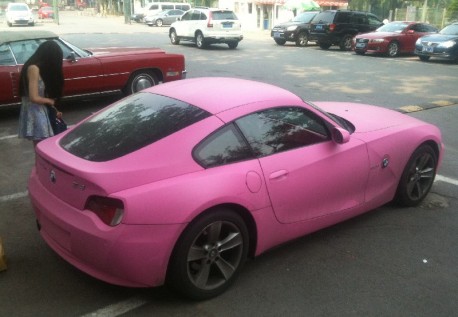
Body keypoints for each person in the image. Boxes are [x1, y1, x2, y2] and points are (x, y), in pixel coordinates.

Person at [18, 40, 64, 147]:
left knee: (48, 146)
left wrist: (54, 110)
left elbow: (42, 94)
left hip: (41, 110)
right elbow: (34, 97)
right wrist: (50, 101)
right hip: (35, 112)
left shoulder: (41, 69)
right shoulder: (33, 68)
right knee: (42, 147)